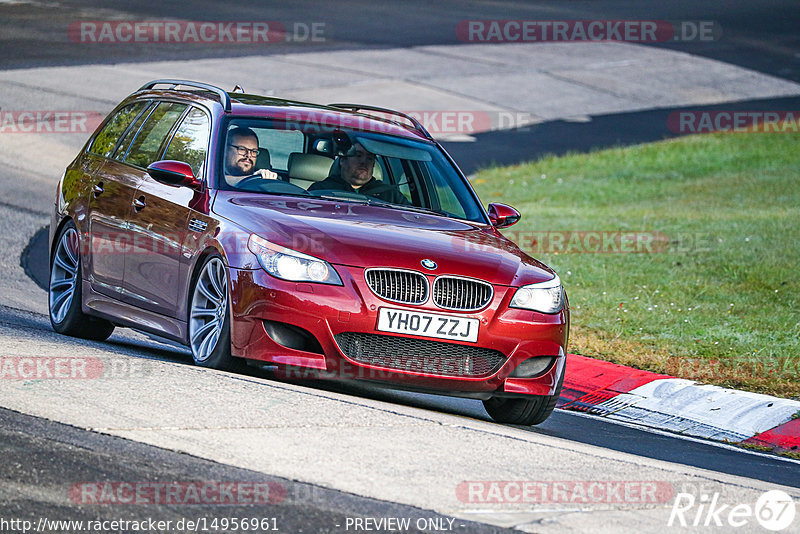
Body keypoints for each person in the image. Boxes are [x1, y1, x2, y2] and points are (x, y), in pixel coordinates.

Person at [308, 143, 408, 204]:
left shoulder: (391, 196)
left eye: (369, 158)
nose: (364, 162)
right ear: (342, 160)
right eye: (358, 155)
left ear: (373, 165)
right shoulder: (320, 190)